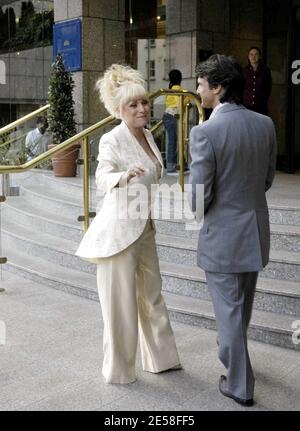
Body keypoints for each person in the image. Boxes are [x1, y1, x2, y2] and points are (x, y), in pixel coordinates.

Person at [76, 64, 181, 384]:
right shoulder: (112, 139)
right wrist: (122, 176)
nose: (141, 109)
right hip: (118, 233)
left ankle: (162, 359)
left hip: (145, 227)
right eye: (133, 105)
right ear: (119, 110)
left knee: (152, 295)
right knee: (120, 306)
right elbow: (101, 177)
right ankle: (119, 371)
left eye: (144, 102)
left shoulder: (149, 134)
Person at [188, 54, 277, 406]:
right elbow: (267, 179)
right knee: (240, 310)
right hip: (254, 233)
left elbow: (198, 197)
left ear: (218, 87)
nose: (197, 90)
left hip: (223, 237)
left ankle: (240, 384)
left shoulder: (205, 131)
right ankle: (240, 366)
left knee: (229, 314)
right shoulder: (265, 124)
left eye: (200, 84)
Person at [162, 69, 189, 174]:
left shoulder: (170, 88)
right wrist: (187, 100)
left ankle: (179, 164)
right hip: (173, 116)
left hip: (168, 115)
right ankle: (173, 165)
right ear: (180, 78)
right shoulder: (177, 88)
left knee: (174, 142)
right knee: (176, 142)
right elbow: (180, 103)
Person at [243, 46, 272, 115]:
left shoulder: (265, 70)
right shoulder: (244, 71)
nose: (253, 57)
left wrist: (262, 99)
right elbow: (241, 87)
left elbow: (268, 88)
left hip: (261, 106)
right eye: (251, 54)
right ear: (248, 56)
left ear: (259, 56)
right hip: (247, 106)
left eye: (256, 54)